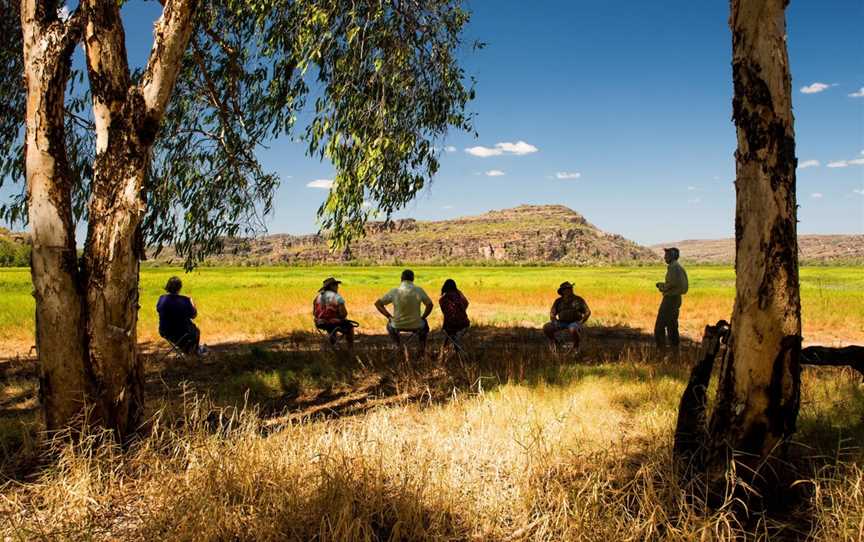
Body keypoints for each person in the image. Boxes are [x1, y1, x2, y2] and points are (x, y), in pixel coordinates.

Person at [375, 269, 434, 356]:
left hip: (397, 325)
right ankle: (421, 349)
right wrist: (423, 317)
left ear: (401, 279)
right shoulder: (419, 290)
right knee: (425, 325)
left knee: (389, 325)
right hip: (416, 325)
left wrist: (389, 316)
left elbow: (378, 304)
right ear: (413, 279)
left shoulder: (394, 291)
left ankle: (398, 346)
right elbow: (430, 305)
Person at [156, 276, 206, 356]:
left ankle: (187, 350)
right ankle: (193, 351)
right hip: (182, 332)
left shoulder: (161, 299)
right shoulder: (185, 300)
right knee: (196, 331)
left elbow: (158, 310)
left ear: (167, 286)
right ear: (180, 287)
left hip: (164, 331)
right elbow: (194, 315)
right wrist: (193, 303)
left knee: (187, 333)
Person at [655, 247, 689, 360]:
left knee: (659, 327)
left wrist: (661, 286)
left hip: (670, 300)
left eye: (667, 255)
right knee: (672, 326)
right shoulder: (678, 267)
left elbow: (671, 285)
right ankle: (675, 354)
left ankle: (661, 354)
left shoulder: (673, 268)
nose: (665, 257)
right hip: (676, 299)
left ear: (673, 256)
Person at [543, 281, 591, 351]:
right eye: (566, 289)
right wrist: (554, 321)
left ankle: (576, 346)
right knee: (546, 327)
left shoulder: (578, 299)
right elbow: (552, 313)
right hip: (561, 322)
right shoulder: (558, 301)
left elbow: (588, 312)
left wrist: (581, 322)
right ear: (562, 291)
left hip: (575, 322)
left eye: (570, 288)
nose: (569, 290)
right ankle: (555, 342)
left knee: (572, 328)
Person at [312, 277, 355, 350]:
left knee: (331, 329)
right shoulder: (337, 297)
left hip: (320, 323)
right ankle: (350, 348)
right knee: (350, 327)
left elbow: (314, 313)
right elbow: (344, 314)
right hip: (333, 323)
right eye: (336, 285)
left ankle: (333, 344)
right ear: (331, 286)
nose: (337, 287)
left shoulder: (317, 297)